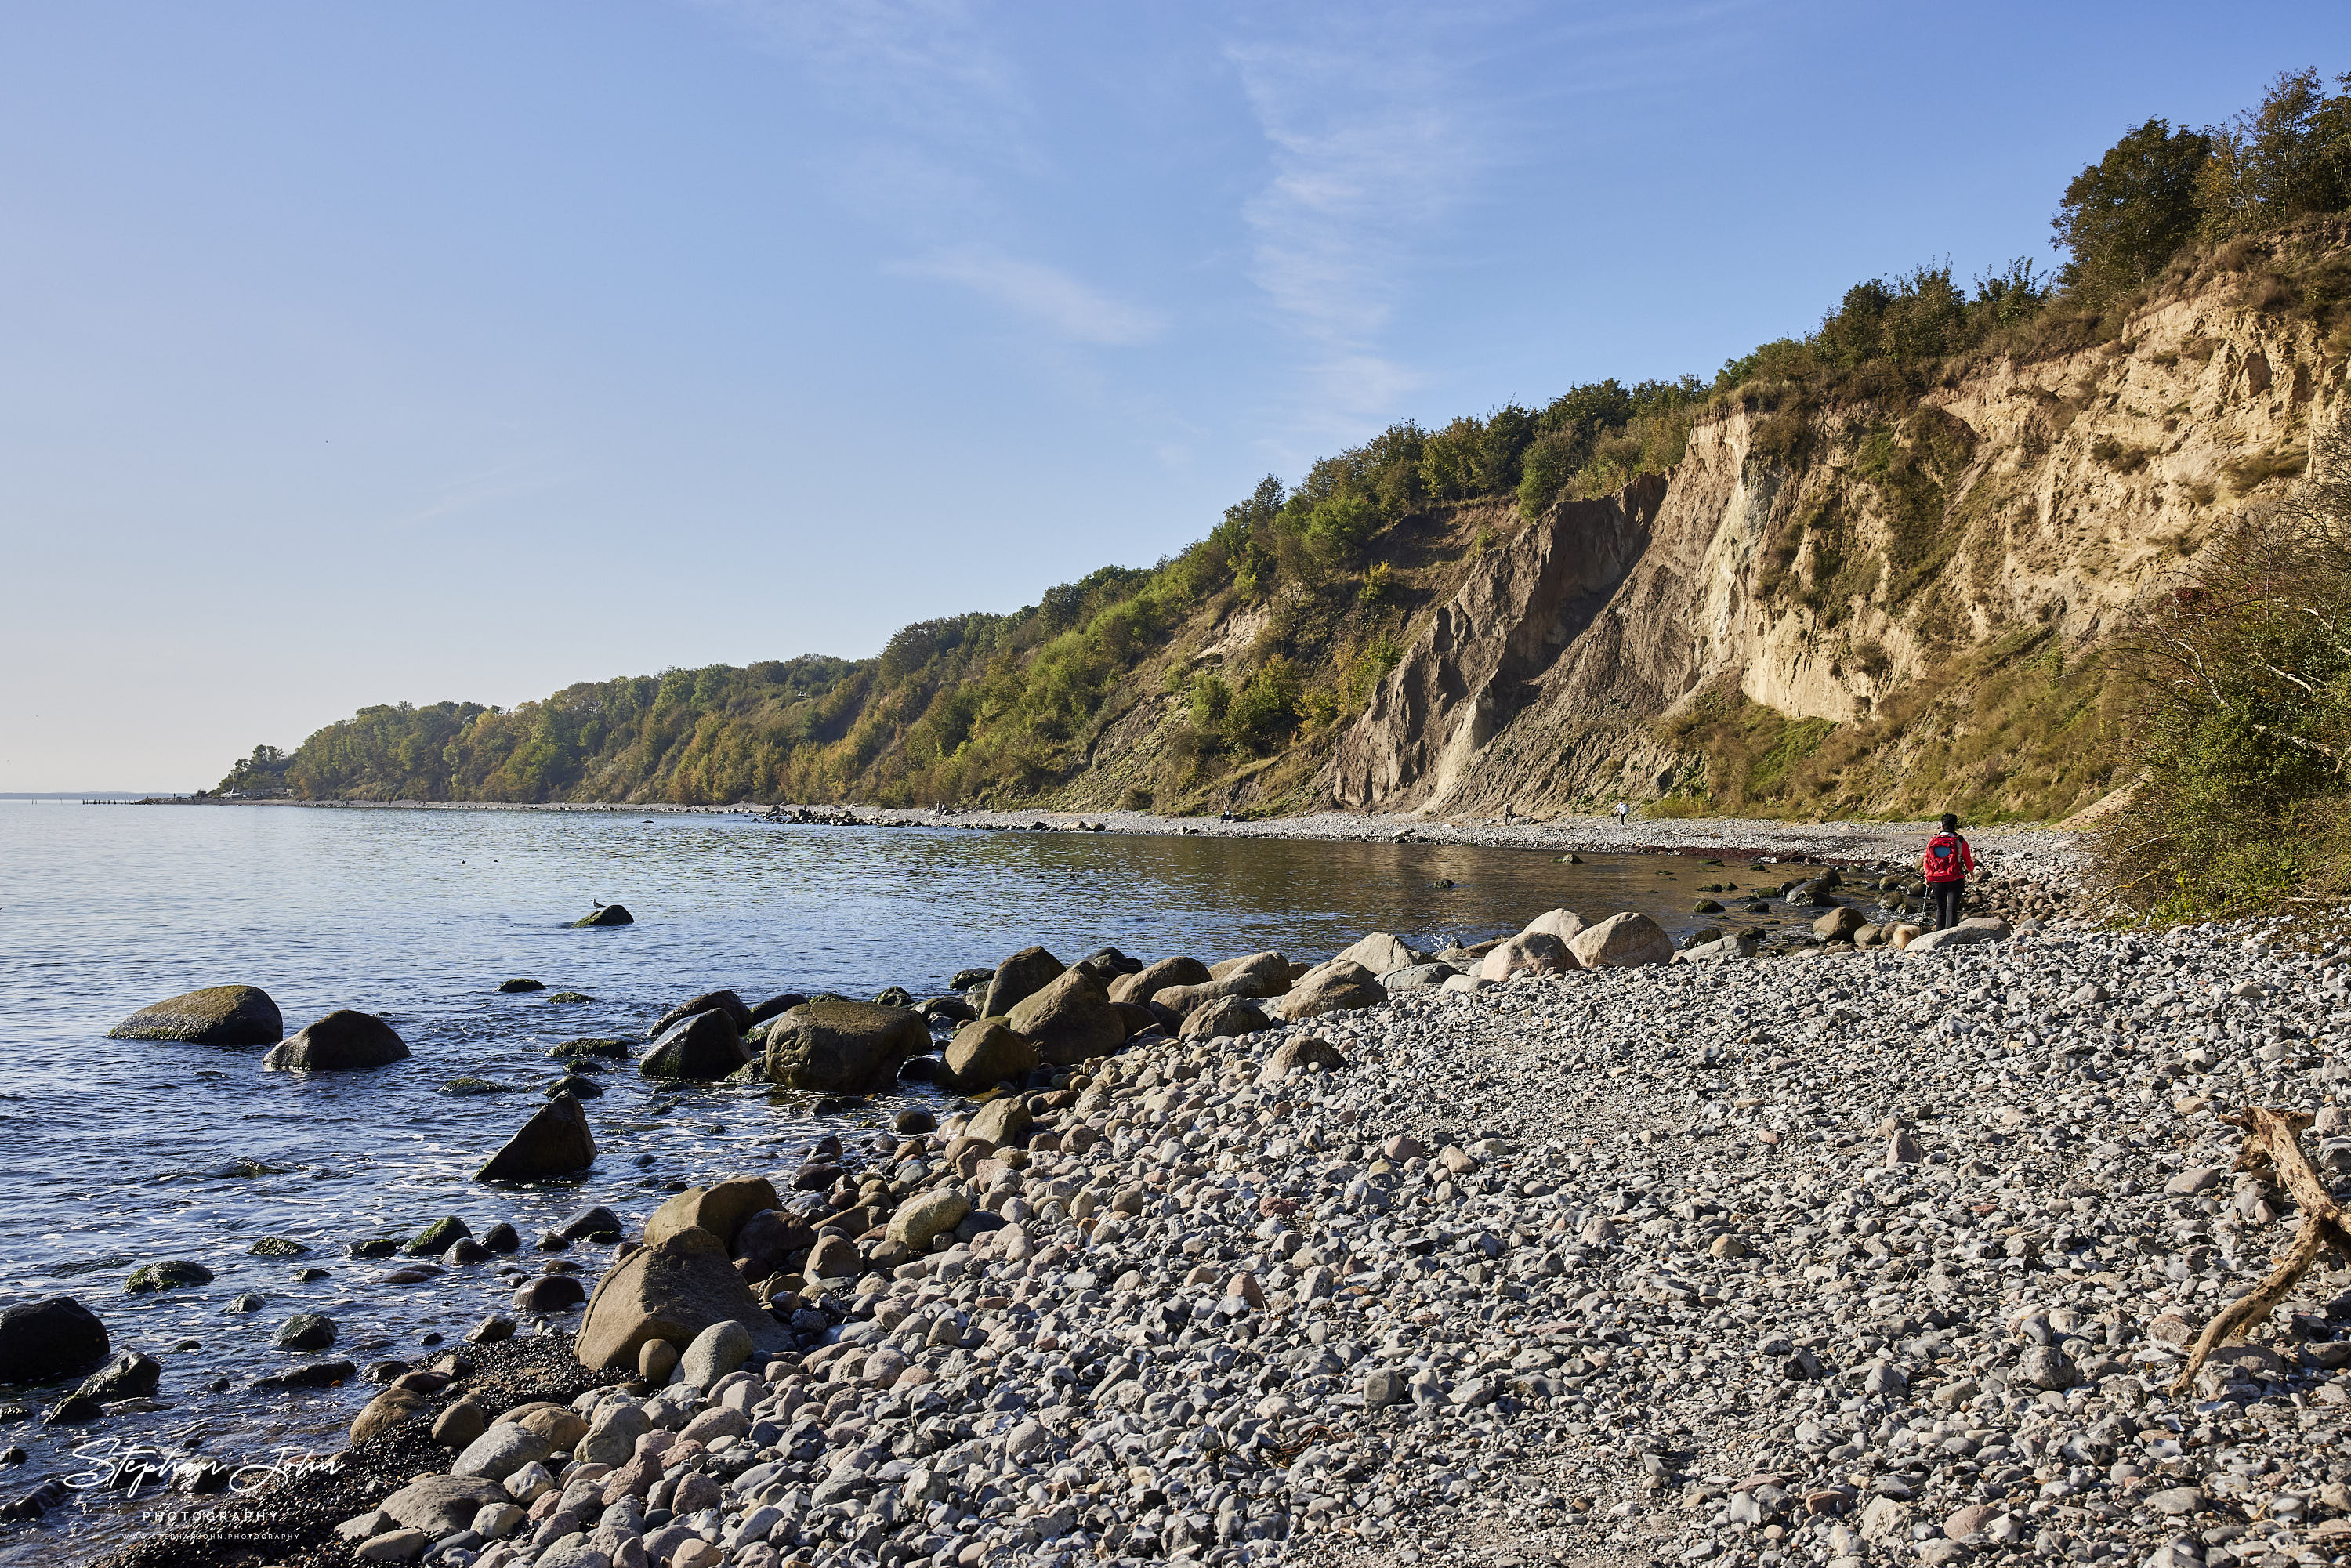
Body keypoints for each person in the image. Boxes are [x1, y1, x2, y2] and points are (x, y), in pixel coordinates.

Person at [1922, 813, 1975, 930]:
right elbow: (1967, 859)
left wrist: (1927, 876)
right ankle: (1950, 937)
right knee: (1952, 909)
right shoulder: (1960, 841)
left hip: (1936, 879)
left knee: (1941, 909)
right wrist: (1971, 873)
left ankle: (1938, 936)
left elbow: (1927, 860)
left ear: (1942, 826)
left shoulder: (1933, 841)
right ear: (1955, 826)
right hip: (1954, 878)